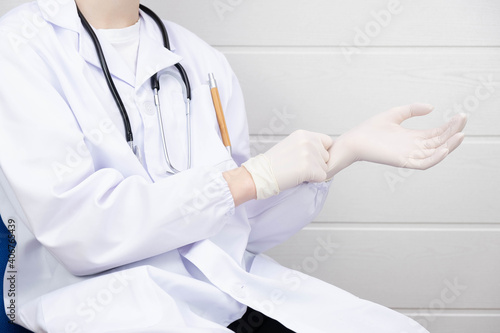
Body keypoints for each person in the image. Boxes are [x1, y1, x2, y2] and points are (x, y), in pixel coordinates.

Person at [0, 0, 467, 332]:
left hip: (225, 285)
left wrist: (340, 153)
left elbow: (239, 225)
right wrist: (247, 178)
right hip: (98, 302)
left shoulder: (200, 59)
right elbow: (79, 229)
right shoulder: (20, 47)